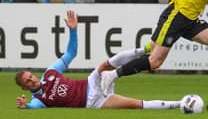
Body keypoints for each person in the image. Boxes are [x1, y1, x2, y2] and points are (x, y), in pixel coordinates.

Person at [15, 10, 181, 109]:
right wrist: (26, 106)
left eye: (31, 76)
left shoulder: (50, 73)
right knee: (135, 104)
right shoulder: (39, 100)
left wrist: (73, 31)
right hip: (93, 101)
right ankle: (179, 104)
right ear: (24, 88)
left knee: (106, 64)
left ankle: (145, 49)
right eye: (28, 82)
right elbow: (32, 107)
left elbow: (70, 53)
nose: (32, 80)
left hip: (91, 82)